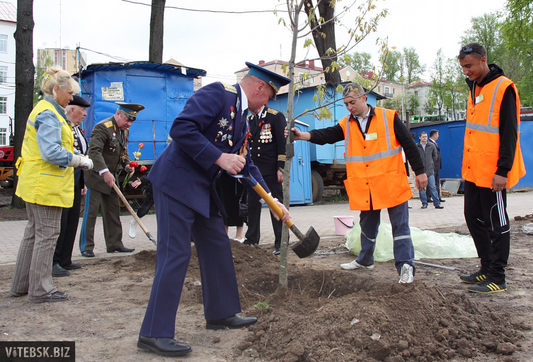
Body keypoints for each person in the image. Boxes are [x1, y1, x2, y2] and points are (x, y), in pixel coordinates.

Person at [137, 62, 291, 357]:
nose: (267, 103)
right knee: (176, 253)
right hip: (176, 183)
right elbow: (181, 128)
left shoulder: (244, 120)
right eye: (269, 96)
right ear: (259, 87)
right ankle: (153, 333)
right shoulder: (218, 95)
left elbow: (247, 165)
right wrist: (219, 158)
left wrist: (272, 201)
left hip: (201, 189)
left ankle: (221, 313)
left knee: (217, 244)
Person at [291, 82, 428, 284]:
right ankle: (365, 260)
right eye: (346, 104)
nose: (349, 107)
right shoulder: (347, 123)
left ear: (364, 98)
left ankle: (406, 266)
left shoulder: (388, 117)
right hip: (367, 187)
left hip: (391, 182)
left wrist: (421, 172)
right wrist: (305, 136)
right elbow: (328, 134)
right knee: (367, 224)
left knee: (400, 226)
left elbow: (409, 145)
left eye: (352, 102)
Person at [10, 66, 93, 303]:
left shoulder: (45, 110)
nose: (71, 98)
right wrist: (79, 160)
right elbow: (51, 153)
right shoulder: (49, 114)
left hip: (35, 183)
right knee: (47, 235)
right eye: (69, 94)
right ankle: (41, 289)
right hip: (46, 186)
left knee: (33, 234)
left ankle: (21, 284)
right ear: (57, 89)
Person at [457, 43, 526, 293]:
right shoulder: (475, 87)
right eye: (463, 67)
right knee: (473, 218)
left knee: (496, 222)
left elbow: (509, 134)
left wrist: (502, 171)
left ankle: (498, 276)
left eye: (469, 66)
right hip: (474, 170)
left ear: (483, 61)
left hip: (494, 172)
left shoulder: (503, 88)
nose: (466, 71)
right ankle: (486, 267)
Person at [79, 102, 144, 257]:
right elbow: (94, 152)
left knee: (113, 211)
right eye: (127, 119)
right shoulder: (103, 127)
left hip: (111, 178)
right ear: (118, 114)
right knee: (91, 213)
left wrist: (127, 165)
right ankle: (86, 247)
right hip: (96, 177)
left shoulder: (124, 131)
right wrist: (104, 171)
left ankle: (114, 244)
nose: (129, 124)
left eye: (132, 121)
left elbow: (123, 151)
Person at [52, 95, 91, 277]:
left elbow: (82, 159)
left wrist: (82, 182)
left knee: (72, 221)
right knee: (62, 222)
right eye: (82, 110)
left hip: (75, 183)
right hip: (62, 183)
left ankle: (65, 258)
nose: (84, 114)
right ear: (72, 110)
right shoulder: (63, 127)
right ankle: (55, 261)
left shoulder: (77, 131)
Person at [244, 106, 286, 255]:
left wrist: (280, 167)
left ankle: (280, 241)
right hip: (254, 171)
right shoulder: (249, 119)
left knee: (275, 205)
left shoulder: (275, 116)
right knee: (253, 206)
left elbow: (282, 144)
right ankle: (251, 239)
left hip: (271, 169)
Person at [214, 172, 246, 242]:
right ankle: (224, 234)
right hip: (222, 173)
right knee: (222, 202)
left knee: (239, 203)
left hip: (237, 173)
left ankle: (239, 235)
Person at [416, 131, 443, 210]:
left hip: (430, 170)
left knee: (433, 187)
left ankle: (437, 203)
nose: (425, 138)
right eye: (423, 136)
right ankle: (424, 203)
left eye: (426, 136)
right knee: (422, 188)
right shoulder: (417, 146)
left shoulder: (431, 145)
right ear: (420, 137)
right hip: (421, 171)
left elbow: (435, 155)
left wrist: (431, 163)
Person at [128, 172, 154, 238]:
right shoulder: (161, 164)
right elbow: (150, 174)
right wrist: (141, 181)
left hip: (169, 192)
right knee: (144, 210)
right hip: (154, 191)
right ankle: (134, 222)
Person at [426, 129, 445, 203]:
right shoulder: (429, 144)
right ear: (434, 135)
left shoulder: (434, 143)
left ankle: (437, 197)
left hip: (437, 166)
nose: (438, 136)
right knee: (431, 183)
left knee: (436, 182)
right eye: (437, 134)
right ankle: (429, 197)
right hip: (433, 166)